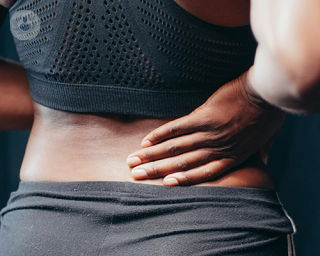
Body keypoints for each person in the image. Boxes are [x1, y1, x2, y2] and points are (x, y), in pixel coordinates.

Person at [3, 0, 320, 254]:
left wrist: (61, 101)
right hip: (205, 229)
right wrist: (253, 97)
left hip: (39, 229)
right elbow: (301, 66)